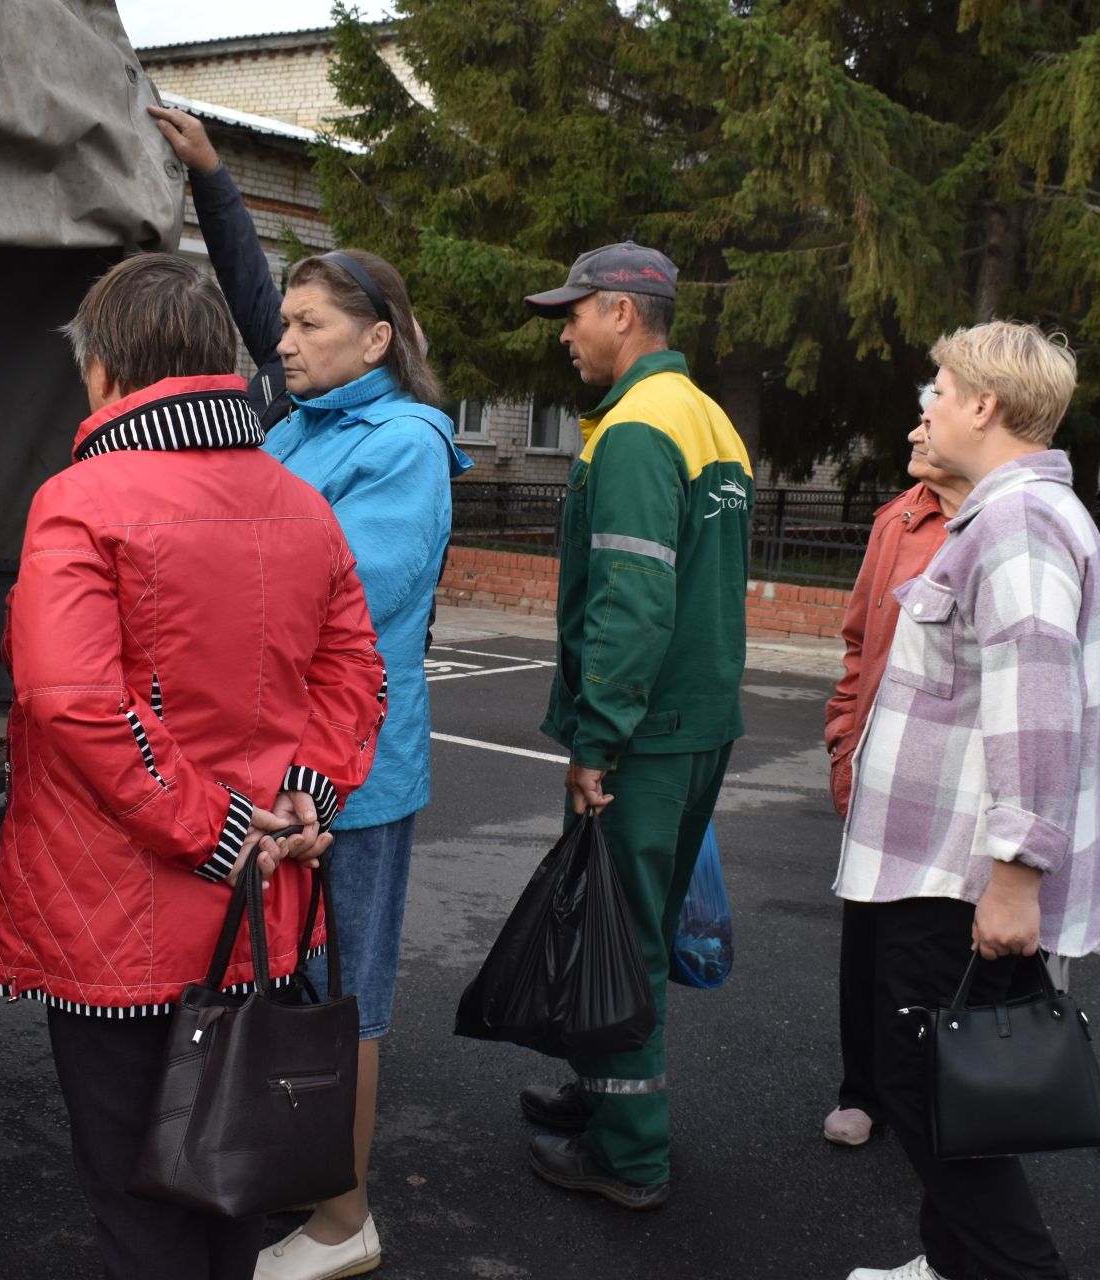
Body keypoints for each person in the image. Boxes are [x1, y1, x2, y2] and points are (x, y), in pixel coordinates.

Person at [0, 254, 389, 1280]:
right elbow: (358, 673)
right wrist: (306, 793)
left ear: (107, 369)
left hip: (118, 917)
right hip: (265, 907)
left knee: (139, 1202)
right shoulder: (301, 501)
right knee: (234, 1185)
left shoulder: (79, 499)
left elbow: (73, 703)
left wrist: (217, 830)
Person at [189, 244, 463, 1280]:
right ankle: (307, 1171)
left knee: (345, 996)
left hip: (349, 772)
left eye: (307, 324)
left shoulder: (405, 444)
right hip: (280, 765)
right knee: (291, 978)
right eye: (286, 320)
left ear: (378, 338)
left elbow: (333, 586)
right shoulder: (304, 424)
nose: (282, 339)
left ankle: (346, 1221)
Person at [836, 321, 1100, 1280]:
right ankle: (954, 1265)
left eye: (940, 390)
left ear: (986, 407)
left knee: (918, 1081)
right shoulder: (1002, 516)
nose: (927, 405)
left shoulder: (1021, 523)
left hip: (957, 873)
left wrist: (1013, 877)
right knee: (946, 1088)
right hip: (940, 860)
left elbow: (1035, 714)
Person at [514, 242, 754, 1210]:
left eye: (574, 310)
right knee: (631, 926)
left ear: (623, 311)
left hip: (644, 733)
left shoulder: (637, 429)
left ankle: (631, 1155)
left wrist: (596, 739)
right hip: (699, 721)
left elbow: (634, 596)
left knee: (622, 938)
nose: (565, 330)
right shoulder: (710, 421)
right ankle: (600, 1091)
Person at [819, 383, 971, 1148]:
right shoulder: (897, 520)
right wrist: (843, 738)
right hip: (878, 765)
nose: (914, 429)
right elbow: (857, 645)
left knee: (938, 948)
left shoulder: (987, 529)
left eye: (927, 416)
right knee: (869, 941)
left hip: (949, 782)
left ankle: (949, 1095)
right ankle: (864, 1088)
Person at [147, 104, 290, 426]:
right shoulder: (294, 361)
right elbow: (243, 269)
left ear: (374, 343)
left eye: (311, 324)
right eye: (293, 323)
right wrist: (208, 170)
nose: (290, 341)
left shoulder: (396, 438)